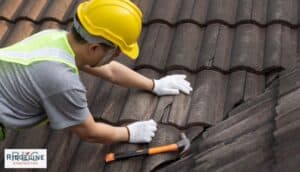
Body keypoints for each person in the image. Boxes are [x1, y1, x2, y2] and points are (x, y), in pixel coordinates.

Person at [0, 0, 192, 144]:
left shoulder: (56, 38)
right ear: (94, 49)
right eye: (115, 52)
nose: (116, 56)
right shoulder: (61, 81)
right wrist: (128, 133)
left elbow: (110, 71)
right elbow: (88, 131)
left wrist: (154, 84)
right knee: (23, 161)